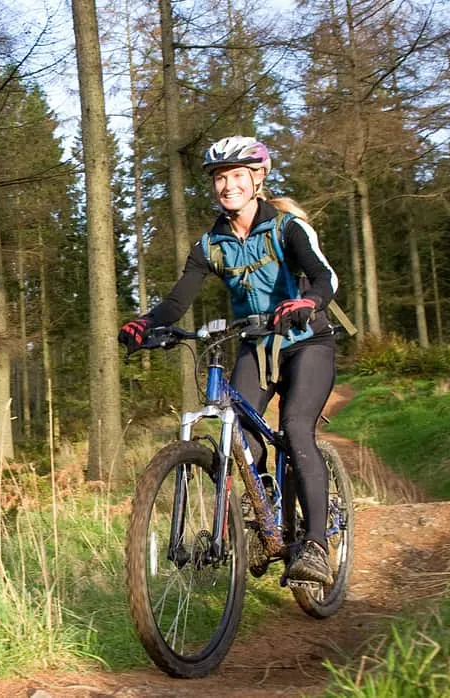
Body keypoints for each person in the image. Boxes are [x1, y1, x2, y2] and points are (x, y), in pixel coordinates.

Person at [117, 135, 341, 585]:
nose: (228, 185)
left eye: (237, 175)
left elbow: (324, 275)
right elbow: (179, 300)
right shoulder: (210, 245)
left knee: (296, 428)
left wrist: (309, 302)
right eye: (220, 178)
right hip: (254, 346)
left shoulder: (286, 228)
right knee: (242, 440)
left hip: (306, 342)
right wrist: (147, 322)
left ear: (257, 179)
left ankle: (315, 545)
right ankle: (263, 523)